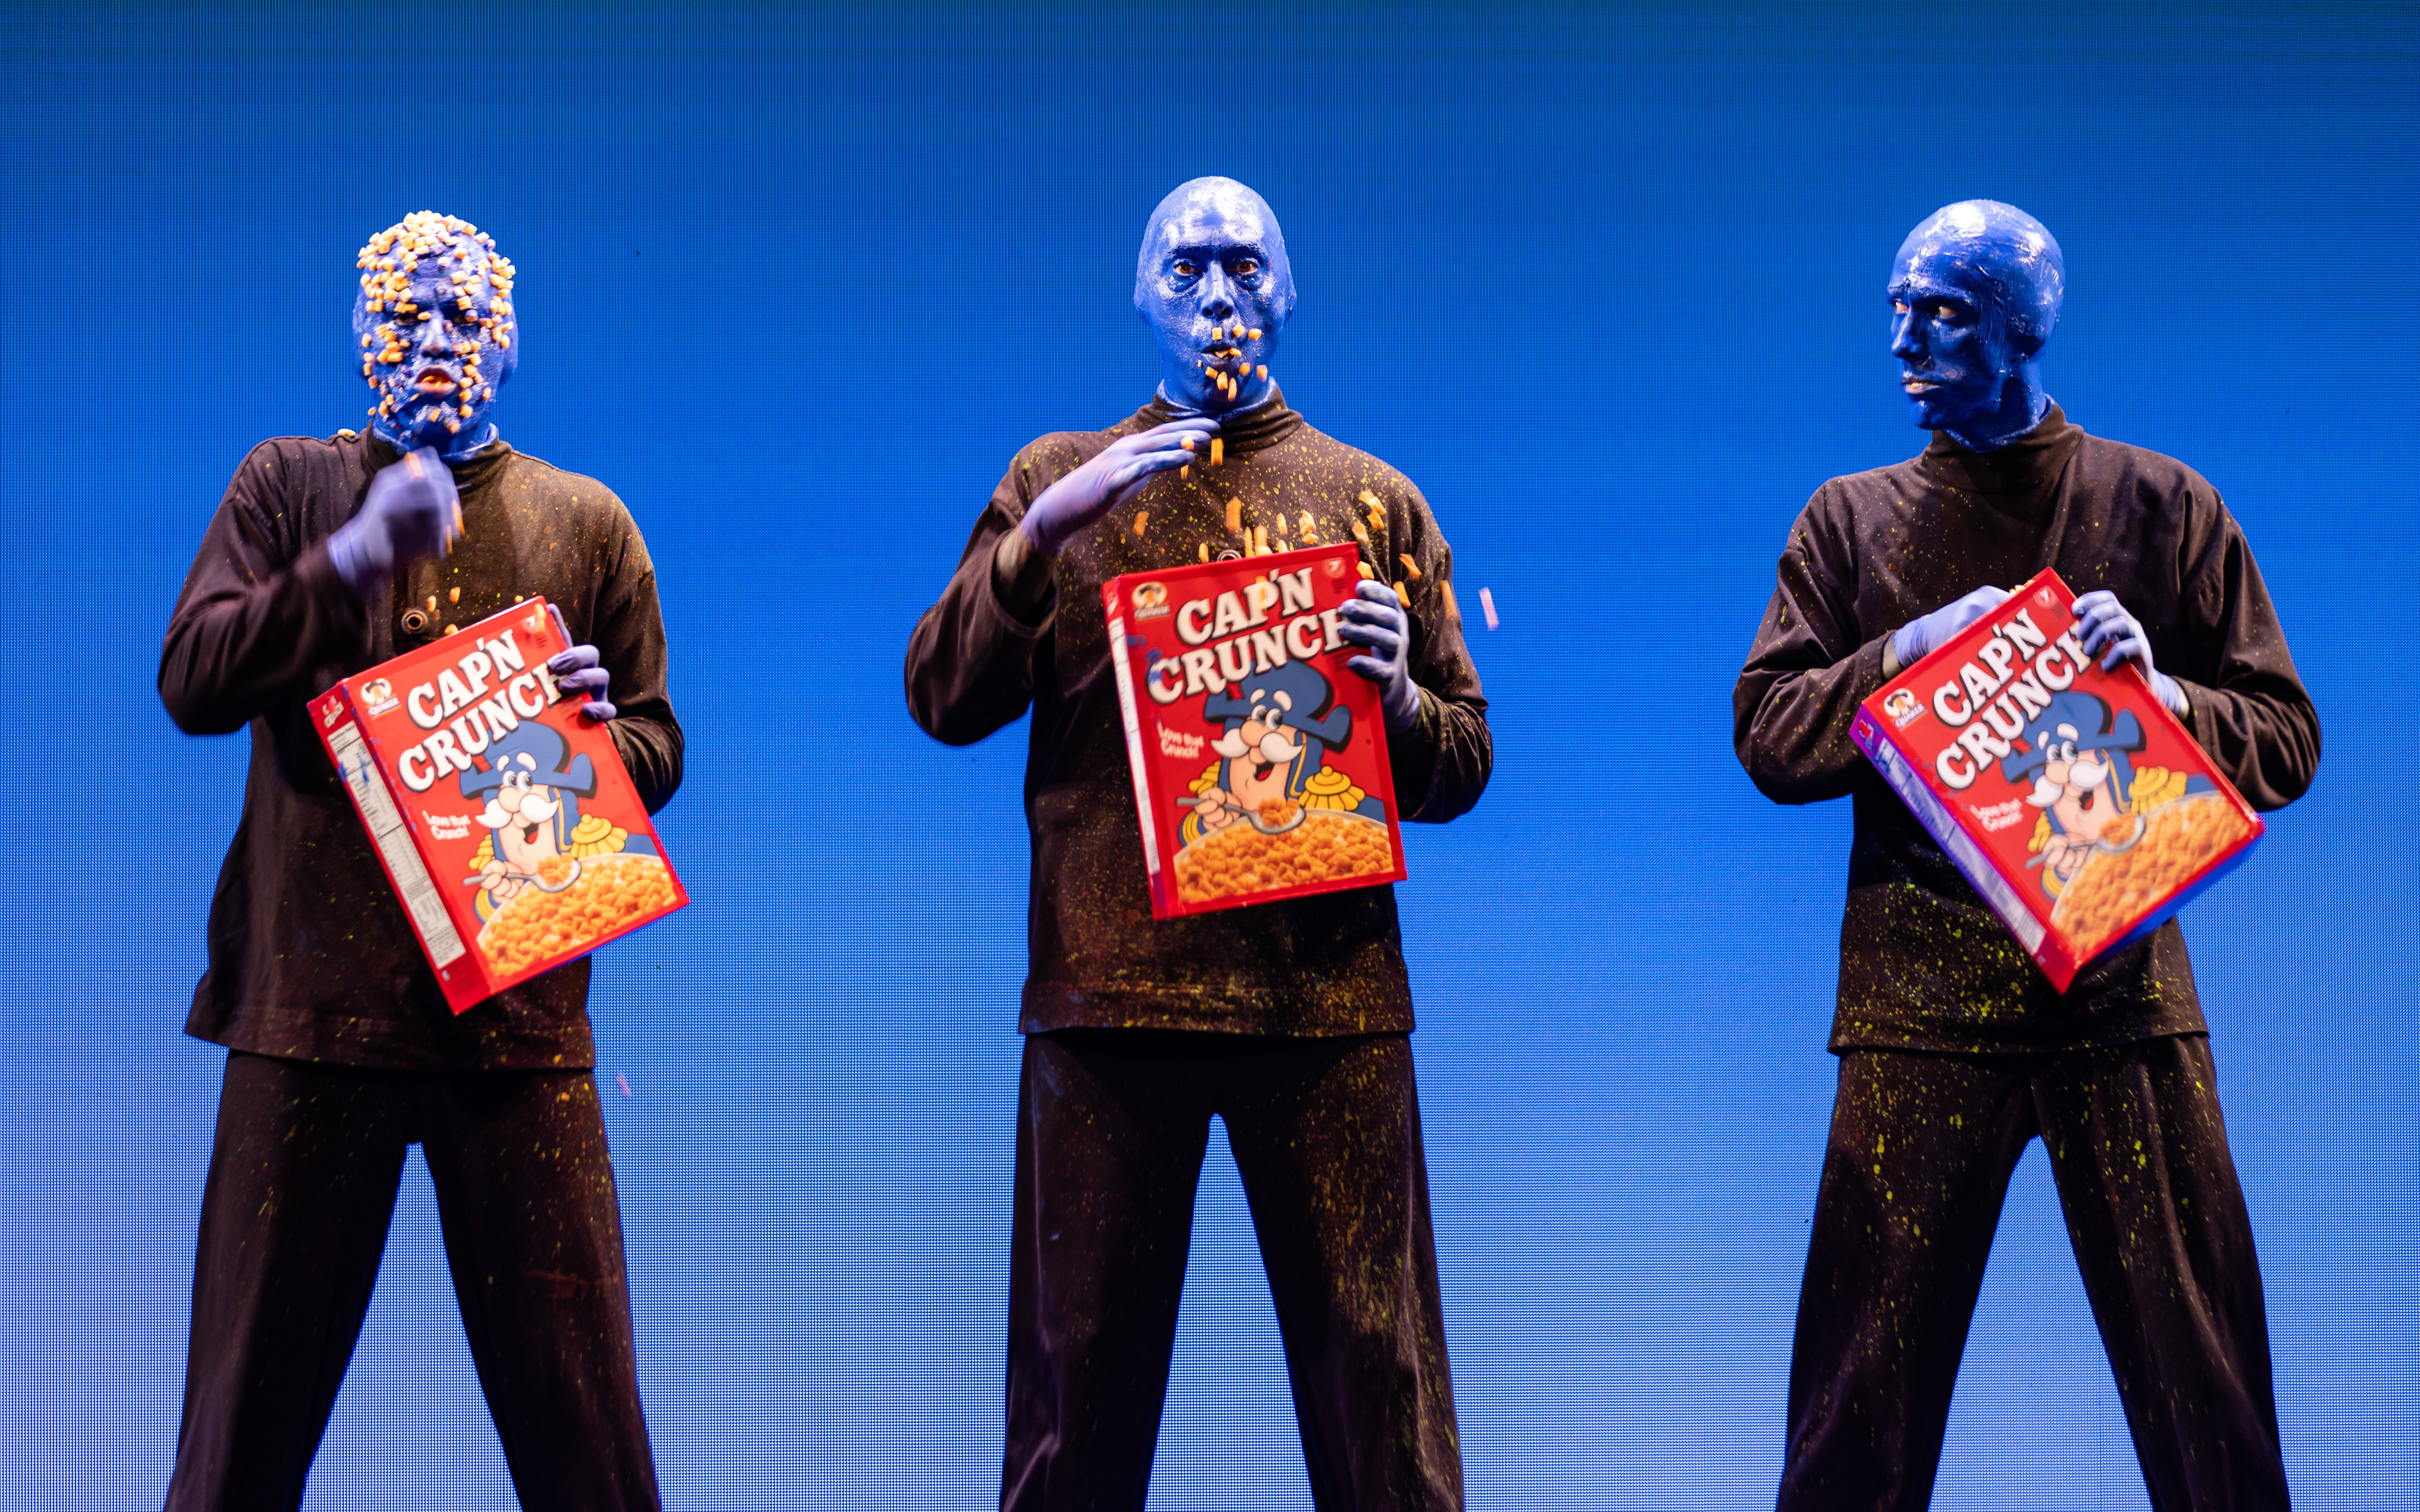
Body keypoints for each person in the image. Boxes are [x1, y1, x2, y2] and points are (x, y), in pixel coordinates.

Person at [905, 177, 1490, 1511]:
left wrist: (1397, 700)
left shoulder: (1370, 499)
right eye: (1184, 270)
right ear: (1140, 295)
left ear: (1285, 291)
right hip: (1108, 1003)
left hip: (1325, 1004)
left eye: (1242, 267)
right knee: (1074, 1410)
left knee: (1379, 1403)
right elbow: (940, 699)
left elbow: (1459, 766)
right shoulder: (1054, 479)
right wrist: (1040, 539)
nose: (1216, 294)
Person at [1735, 199, 2319, 1511]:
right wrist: (1900, 652)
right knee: (1854, 1410)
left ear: (2020, 325)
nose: (1902, 336)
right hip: (1916, 1014)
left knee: (2207, 1392)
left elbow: (2284, 736)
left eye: (1938, 309)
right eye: (1894, 305)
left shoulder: (2160, 504)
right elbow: (1768, 737)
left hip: (2118, 998)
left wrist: (2167, 700)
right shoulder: (1849, 521)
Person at [157, 211, 679, 1511]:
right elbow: (194, 679)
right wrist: (347, 559)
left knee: (590, 1453)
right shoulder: (290, 487)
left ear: (504, 343)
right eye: (404, 315)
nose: (433, 341)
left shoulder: (585, 521)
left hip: (517, 1032)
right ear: (359, 337)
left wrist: (599, 736)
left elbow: (662, 751)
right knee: (235, 1449)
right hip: (310, 1021)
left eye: (460, 318)